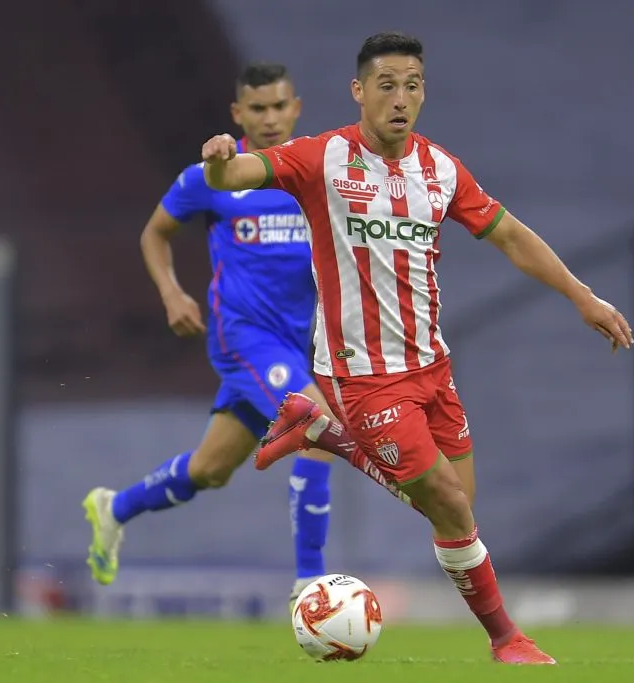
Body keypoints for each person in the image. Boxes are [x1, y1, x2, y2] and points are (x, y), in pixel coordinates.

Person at [198, 34, 633, 665]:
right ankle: (506, 639)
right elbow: (236, 174)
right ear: (359, 92)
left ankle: (323, 431)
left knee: (459, 506)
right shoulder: (322, 159)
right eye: (386, 85)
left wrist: (581, 296)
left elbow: (508, 234)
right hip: (363, 374)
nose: (401, 99)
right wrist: (216, 161)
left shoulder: (441, 169)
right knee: (449, 506)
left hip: (432, 366)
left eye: (412, 85)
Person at [82, 62, 417, 605]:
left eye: (278, 106)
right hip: (242, 337)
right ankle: (310, 584)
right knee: (318, 426)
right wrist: (171, 293)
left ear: (296, 108)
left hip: (294, 344)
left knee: (209, 469)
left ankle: (113, 508)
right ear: (239, 114)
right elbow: (155, 234)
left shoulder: (315, 173)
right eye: (256, 109)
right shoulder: (212, 178)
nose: (269, 118)